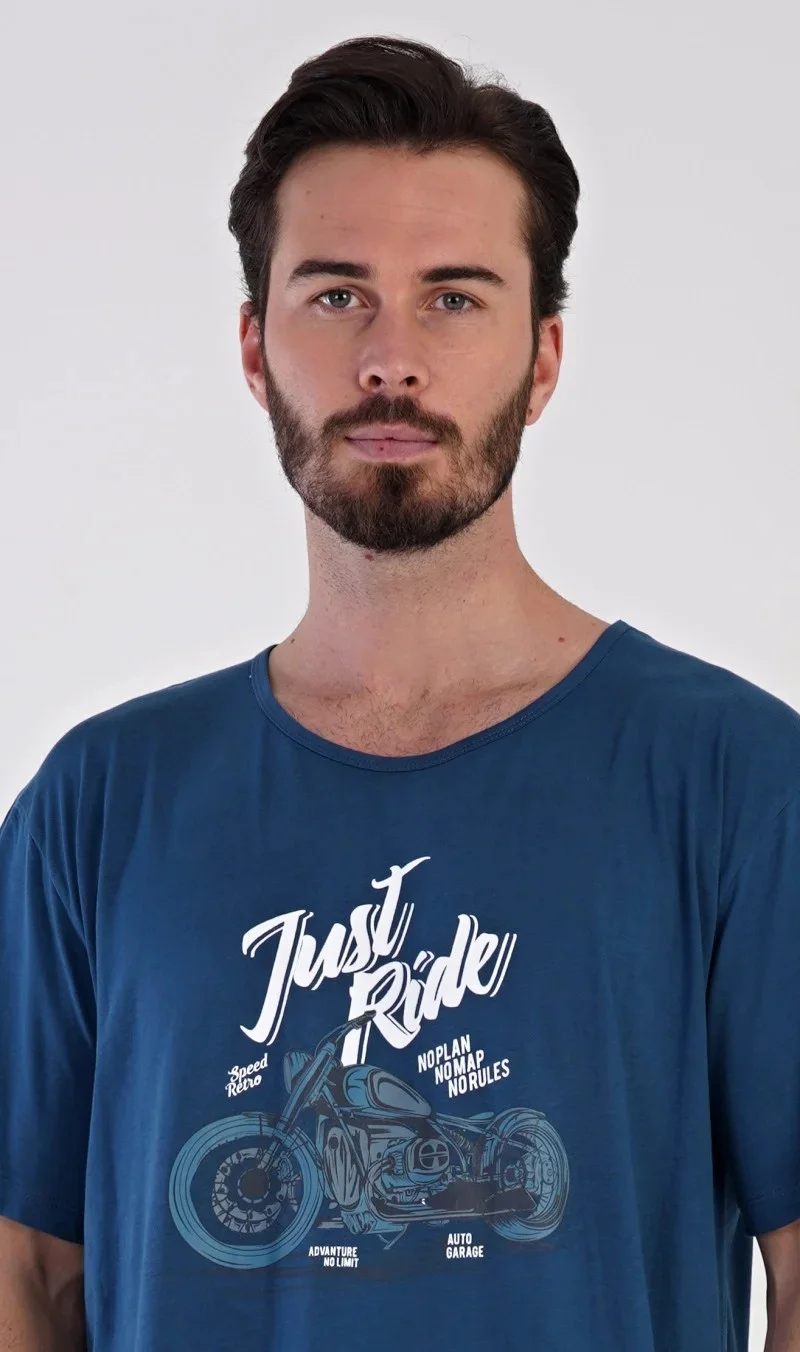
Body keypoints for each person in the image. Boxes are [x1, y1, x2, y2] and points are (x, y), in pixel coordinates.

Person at [0, 33, 798, 1352]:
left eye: (454, 298)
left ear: (544, 359)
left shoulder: (739, 782)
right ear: (254, 348)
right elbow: (26, 1273)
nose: (391, 360)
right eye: (337, 296)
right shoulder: (99, 803)